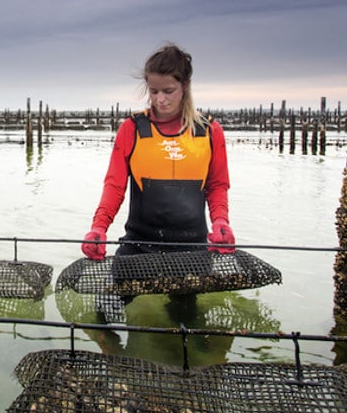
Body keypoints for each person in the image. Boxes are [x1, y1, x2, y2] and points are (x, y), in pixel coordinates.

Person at [81, 43, 235, 300]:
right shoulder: (132, 128)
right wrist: (99, 228)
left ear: (185, 86)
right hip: (138, 244)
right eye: (153, 91)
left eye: (168, 91)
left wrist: (221, 222)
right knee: (107, 309)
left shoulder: (210, 131)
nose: (160, 99)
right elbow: (114, 186)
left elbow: (218, 185)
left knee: (184, 324)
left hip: (192, 250)